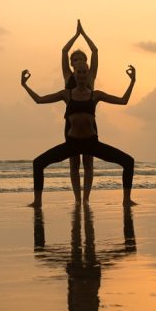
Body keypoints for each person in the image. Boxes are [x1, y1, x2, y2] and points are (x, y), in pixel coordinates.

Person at [21, 60, 137, 207]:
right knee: (38, 163)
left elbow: (123, 100)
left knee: (128, 162)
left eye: (84, 72)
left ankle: (127, 200)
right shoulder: (66, 94)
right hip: (72, 144)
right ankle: (37, 201)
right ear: (74, 74)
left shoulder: (95, 95)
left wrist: (132, 81)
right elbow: (39, 100)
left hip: (92, 143)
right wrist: (25, 85)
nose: (81, 75)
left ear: (88, 75)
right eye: (79, 72)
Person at [62, 20, 98, 204]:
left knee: (88, 163)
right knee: (74, 164)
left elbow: (95, 51)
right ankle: (77, 199)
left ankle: (86, 199)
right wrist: (75, 36)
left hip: (90, 123)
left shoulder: (90, 75)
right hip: (70, 124)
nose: (79, 62)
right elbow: (63, 51)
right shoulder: (68, 76)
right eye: (75, 60)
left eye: (81, 60)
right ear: (71, 64)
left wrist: (83, 33)